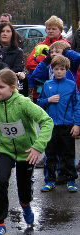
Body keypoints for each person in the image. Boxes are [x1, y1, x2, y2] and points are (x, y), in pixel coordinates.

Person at [0, 69, 53, 235]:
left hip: (26, 151)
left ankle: (25, 205)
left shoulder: (23, 103)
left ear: (12, 88)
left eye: (1, 87)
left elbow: (47, 121)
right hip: (4, 149)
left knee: (23, 187)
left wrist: (38, 147)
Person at [37, 55, 80, 193]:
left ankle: (70, 179)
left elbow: (77, 106)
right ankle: (50, 180)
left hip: (67, 125)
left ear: (67, 70)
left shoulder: (72, 85)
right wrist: (48, 99)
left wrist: (77, 124)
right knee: (50, 154)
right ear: (52, 69)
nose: (59, 71)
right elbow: (39, 103)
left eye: (62, 69)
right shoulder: (47, 84)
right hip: (51, 126)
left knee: (68, 154)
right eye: (56, 69)